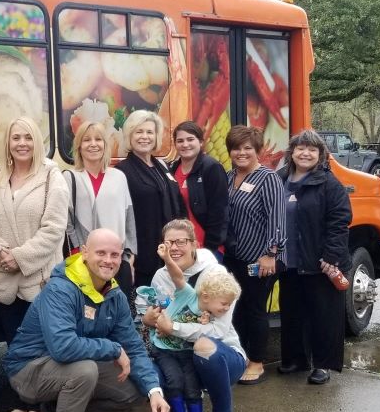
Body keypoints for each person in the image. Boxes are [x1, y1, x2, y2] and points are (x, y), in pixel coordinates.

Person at [3, 228, 170, 412]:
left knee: (133, 385)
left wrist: (154, 391)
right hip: (29, 368)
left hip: (68, 367)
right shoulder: (61, 289)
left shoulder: (114, 295)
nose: (108, 260)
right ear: (84, 253)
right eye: (100, 252)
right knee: (85, 371)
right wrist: (112, 348)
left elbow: (133, 346)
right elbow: (62, 347)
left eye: (115, 254)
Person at [0, 117, 69, 412]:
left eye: (28, 137)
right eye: (16, 138)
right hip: (3, 282)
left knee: (42, 349)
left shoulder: (52, 178)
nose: (22, 143)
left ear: (37, 141)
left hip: (38, 282)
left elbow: (54, 230)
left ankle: (40, 409)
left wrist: (20, 257)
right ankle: (23, 403)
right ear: (8, 142)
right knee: (16, 349)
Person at [276, 130, 352, 385]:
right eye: (300, 148)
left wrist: (332, 256)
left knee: (324, 315)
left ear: (320, 155)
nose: (305, 153)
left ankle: (323, 365)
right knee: (293, 313)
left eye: (311, 150)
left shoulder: (329, 184)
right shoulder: (280, 178)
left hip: (320, 262)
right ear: (292, 152)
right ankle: (296, 359)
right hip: (289, 262)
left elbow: (339, 222)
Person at [149, 262, 247, 412]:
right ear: (206, 296)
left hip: (222, 358)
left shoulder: (211, 311)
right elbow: (177, 277)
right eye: (225, 304)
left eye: (230, 303)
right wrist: (154, 320)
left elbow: (213, 333)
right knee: (175, 380)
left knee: (197, 363)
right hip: (167, 351)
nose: (228, 308)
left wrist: (173, 328)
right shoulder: (188, 294)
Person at [223, 125, 285, 385]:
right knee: (235, 310)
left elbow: (277, 217)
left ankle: (257, 363)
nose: (241, 152)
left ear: (257, 150)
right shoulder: (229, 176)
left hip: (260, 258)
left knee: (255, 310)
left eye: (247, 147)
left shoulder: (268, 178)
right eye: (236, 148)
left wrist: (271, 253)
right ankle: (241, 357)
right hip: (234, 257)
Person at [115, 110, 186, 291]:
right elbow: (121, 218)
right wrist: (127, 257)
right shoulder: (122, 171)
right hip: (143, 257)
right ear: (130, 136)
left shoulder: (161, 165)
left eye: (149, 132)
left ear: (156, 137)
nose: (144, 137)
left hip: (170, 253)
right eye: (139, 132)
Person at [66, 120, 137, 296]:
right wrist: (78, 251)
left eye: (98, 139)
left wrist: (129, 255)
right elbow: (66, 221)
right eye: (87, 140)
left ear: (105, 145)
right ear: (79, 146)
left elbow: (129, 217)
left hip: (116, 260)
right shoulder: (69, 177)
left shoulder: (119, 176)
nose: (93, 144)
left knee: (117, 311)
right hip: (84, 260)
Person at [169, 121, 229, 257]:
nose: (185, 144)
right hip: (180, 247)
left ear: (201, 142)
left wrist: (210, 248)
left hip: (206, 247)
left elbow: (219, 211)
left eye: (190, 139)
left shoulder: (212, 167)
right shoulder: (172, 169)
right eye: (180, 141)